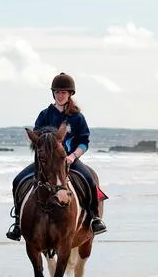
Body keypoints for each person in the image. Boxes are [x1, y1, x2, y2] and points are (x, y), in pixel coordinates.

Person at [6, 72, 107, 240]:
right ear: (53, 93)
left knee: (90, 179)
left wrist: (73, 156)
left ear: (70, 94)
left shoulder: (77, 117)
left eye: (64, 92)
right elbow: (37, 141)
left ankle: (94, 218)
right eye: (58, 92)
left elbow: (84, 142)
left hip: (69, 160)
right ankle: (17, 223)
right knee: (18, 180)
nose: (61, 95)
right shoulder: (45, 115)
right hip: (46, 163)